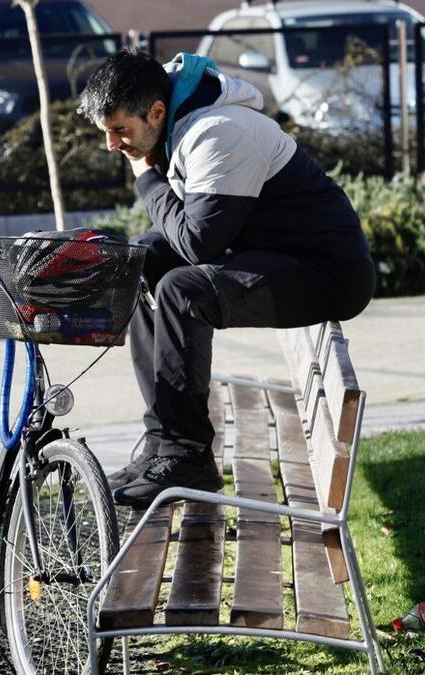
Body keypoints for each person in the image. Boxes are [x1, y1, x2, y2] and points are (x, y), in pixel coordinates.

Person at [76, 49, 375, 507]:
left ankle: (188, 457)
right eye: (107, 133)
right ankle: (163, 442)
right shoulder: (181, 127)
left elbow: (198, 244)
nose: (113, 145)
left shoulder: (218, 133)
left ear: (156, 111)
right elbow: (183, 232)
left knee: (183, 291)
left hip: (325, 273)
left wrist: (146, 178)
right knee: (139, 260)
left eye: (121, 131)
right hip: (273, 256)